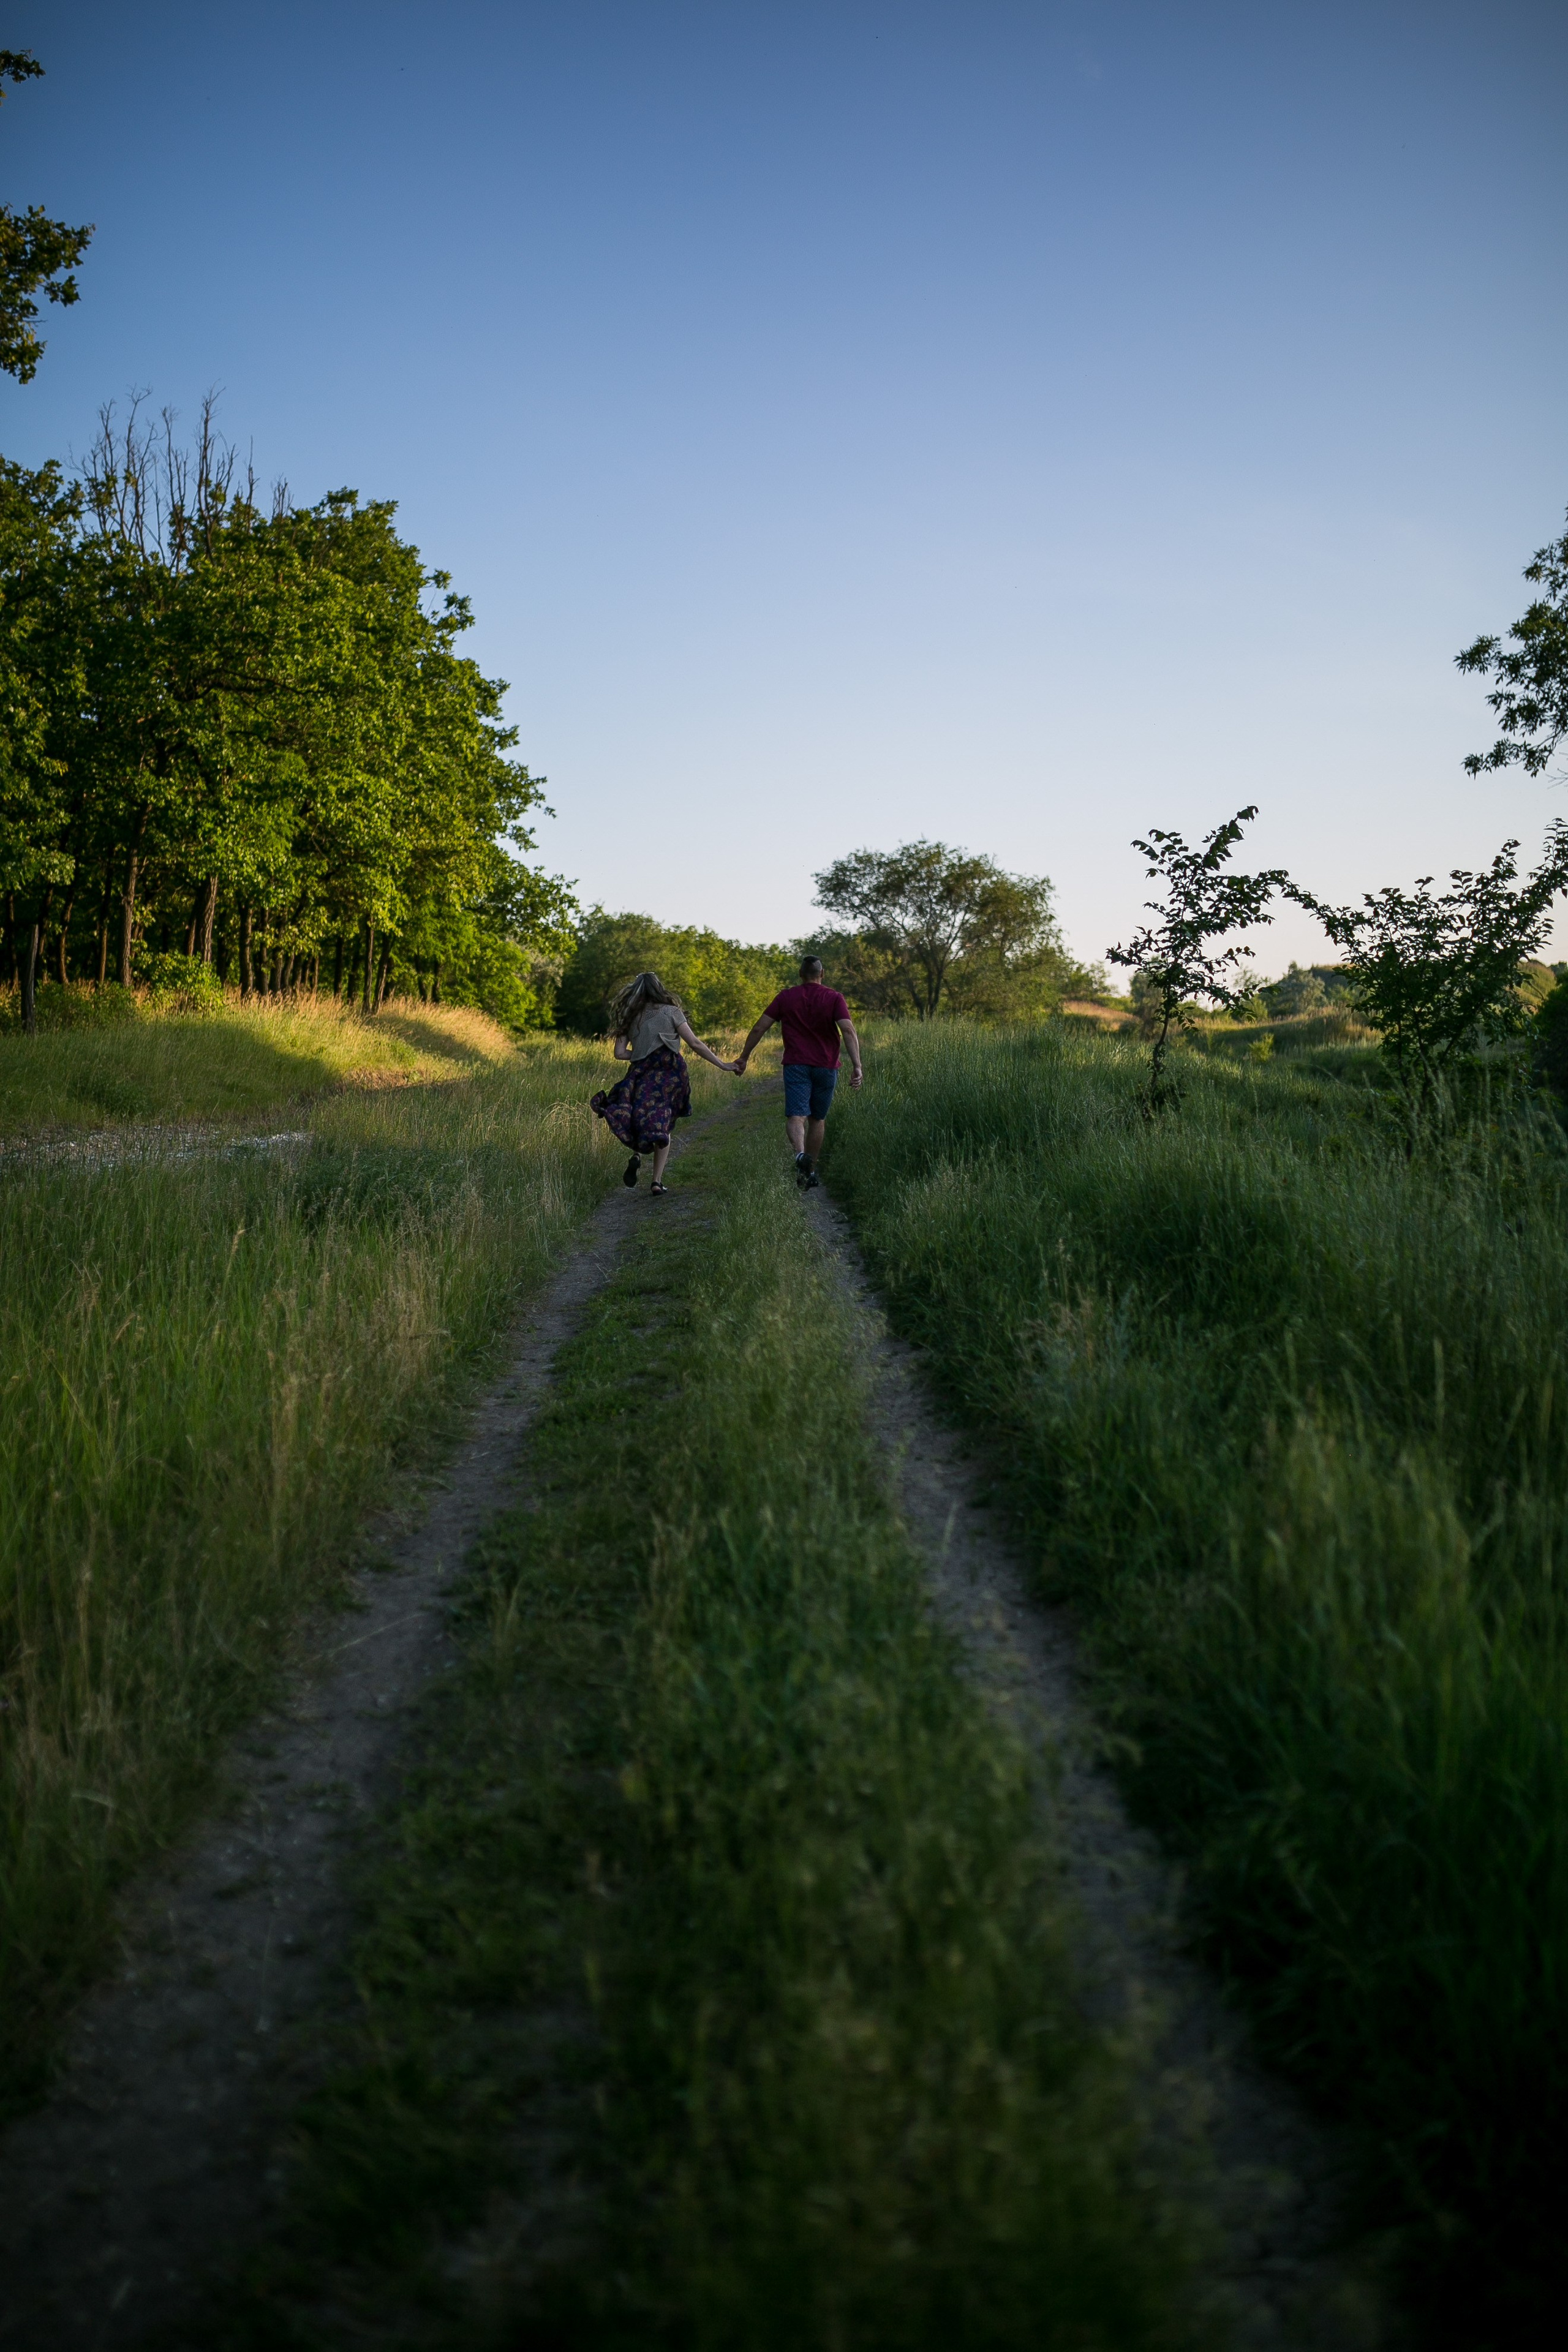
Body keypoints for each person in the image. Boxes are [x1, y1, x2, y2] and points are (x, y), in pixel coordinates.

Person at [590, 970, 738, 1193]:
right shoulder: (672, 1012)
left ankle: (637, 1155)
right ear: (659, 988)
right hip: (670, 1074)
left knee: (639, 1115)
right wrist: (723, 1064)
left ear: (636, 991)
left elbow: (619, 1053)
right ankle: (656, 1182)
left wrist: (642, 1052)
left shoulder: (630, 1017)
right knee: (663, 1121)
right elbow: (695, 1044)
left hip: (641, 1073)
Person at [735, 956, 862, 1188]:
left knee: (796, 1116)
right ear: (822, 974)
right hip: (826, 1066)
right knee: (817, 1119)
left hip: (796, 1066)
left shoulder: (786, 997)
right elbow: (848, 1031)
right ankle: (809, 1172)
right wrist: (857, 1066)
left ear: (800, 974)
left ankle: (800, 1155)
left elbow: (759, 1028)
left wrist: (744, 1057)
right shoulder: (834, 998)